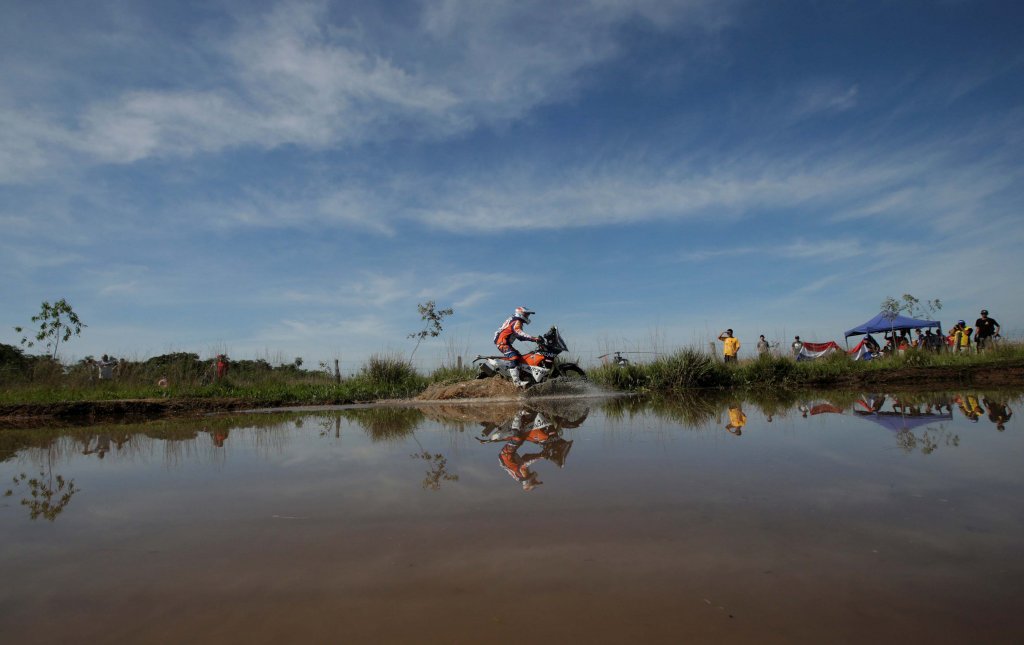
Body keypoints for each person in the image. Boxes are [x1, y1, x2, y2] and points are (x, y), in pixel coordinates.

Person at [493, 306, 542, 388]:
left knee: (520, 358)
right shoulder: (517, 321)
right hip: (502, 342)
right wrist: (534, 339)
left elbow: (519, 337)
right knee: (514, 357)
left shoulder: (514, 319)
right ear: (521, 314)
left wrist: (533, 339)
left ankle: (522, 377)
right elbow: (519, 334)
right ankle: (517, 382)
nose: (527, 317)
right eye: (526, 315)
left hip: (504, 342)